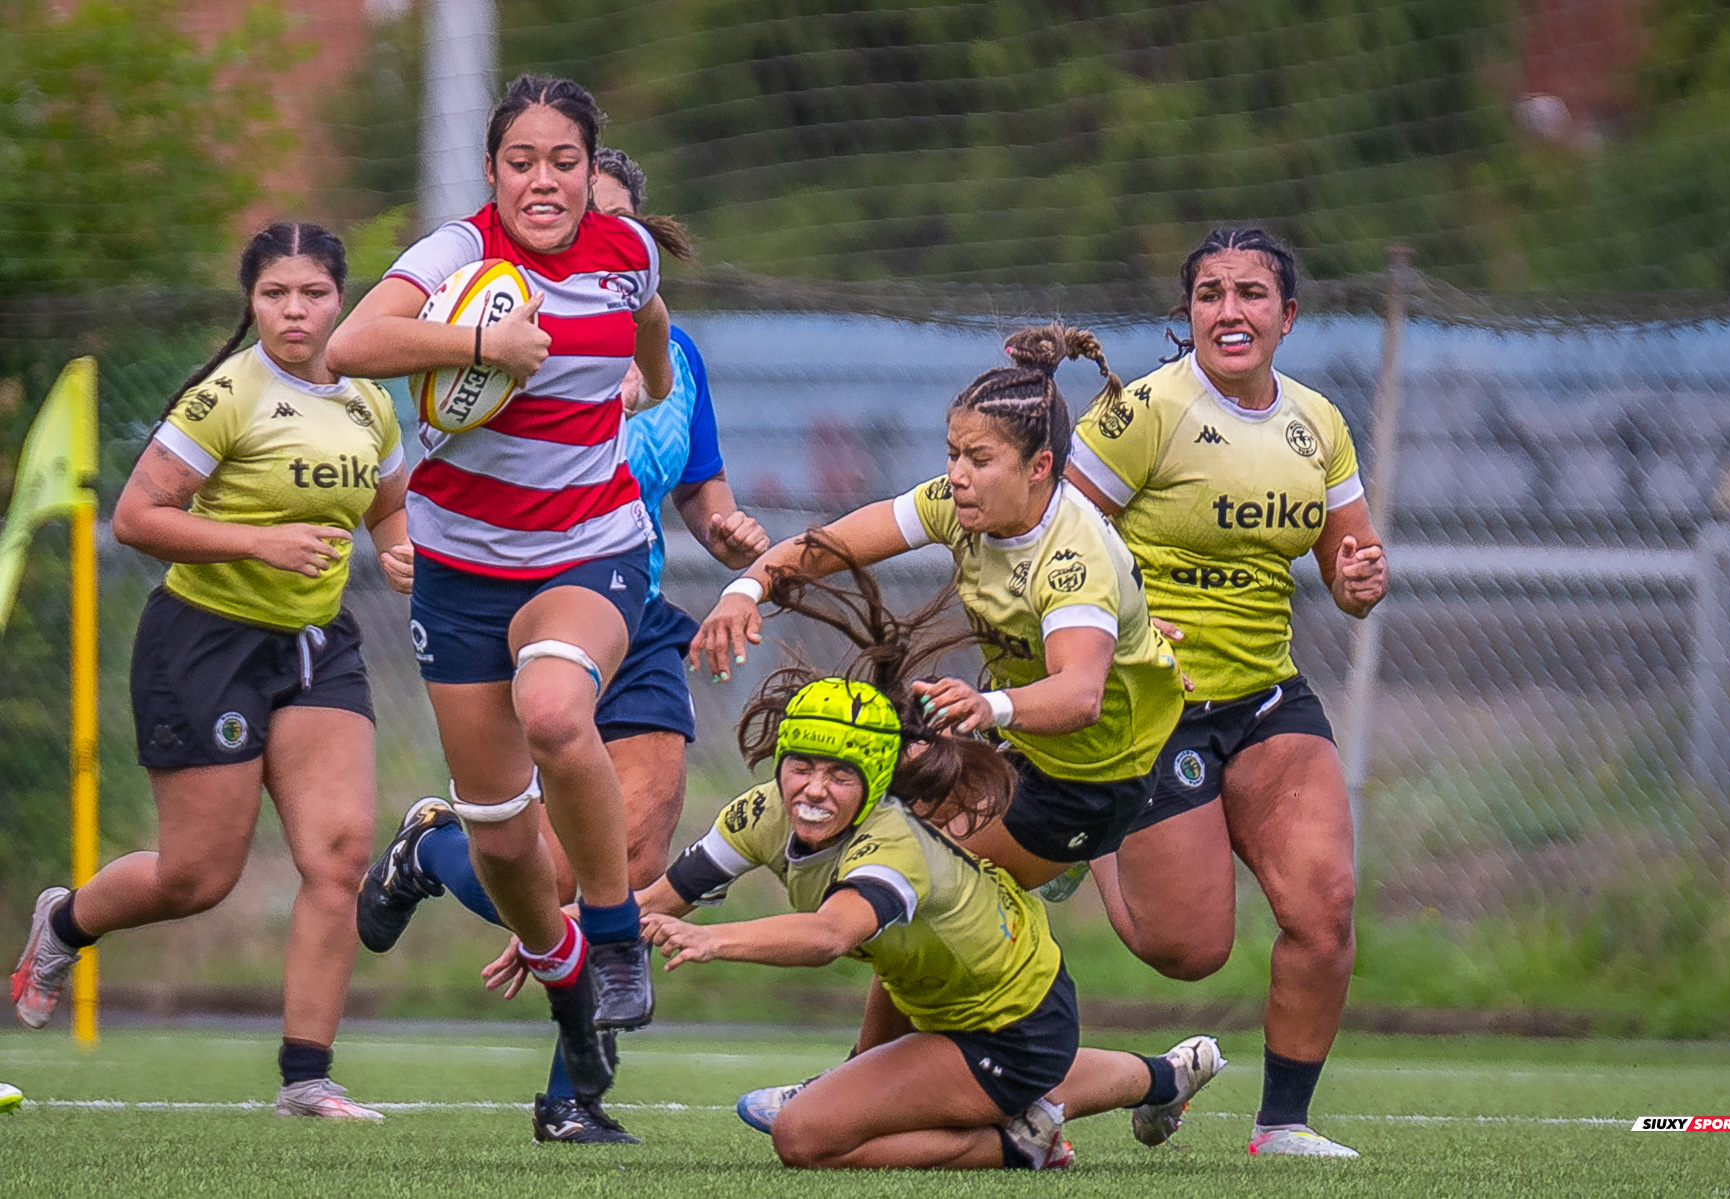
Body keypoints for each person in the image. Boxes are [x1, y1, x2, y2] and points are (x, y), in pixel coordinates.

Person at [490, 570, 1224, 1170]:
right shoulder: (765, 812)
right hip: (964, 1002)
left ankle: (1016, 1142)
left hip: (1010, 1025)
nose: (812, 788)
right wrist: (549, 934)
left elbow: (829, 936)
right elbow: (652, 897)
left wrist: (716, 940)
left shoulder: (893, 845)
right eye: (801, 765)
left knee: (803, 1136)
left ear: (873, 783)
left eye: (839, 775)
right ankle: (1162, 1076)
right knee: (917, 1080)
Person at [354, 149, 769, 1143]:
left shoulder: (667, 341)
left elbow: (700, 484)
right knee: (534, 865)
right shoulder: (488, 325)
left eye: (604, 221)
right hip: (511, 606)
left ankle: (572, 1098)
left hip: (633, 604)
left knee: (627, 849)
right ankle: (436, 849)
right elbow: (407, 418)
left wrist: (731, 538)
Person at [327, 75, 686, 1127]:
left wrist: (648, 386)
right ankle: (572, 995)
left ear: (590, 169)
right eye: (521, 161)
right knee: (501, 839)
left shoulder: (628, 253)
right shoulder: (455, 255)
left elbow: (652, 319)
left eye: (563, 161)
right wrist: (481, 345)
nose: (543, 179)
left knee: (556, 712)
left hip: (591, 547)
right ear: (493, 172)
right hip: (461, 567)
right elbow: (353, 346)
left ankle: (614, 939)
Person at [9, 223, 409, 1119]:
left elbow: (389, 498)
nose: (295, 311)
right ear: (252, 302)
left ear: (341, 297)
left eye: (311, 293)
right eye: (276, 295)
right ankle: (66, 923)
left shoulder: (370, 401)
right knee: (199, 876)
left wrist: (399, 550)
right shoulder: (229, 393)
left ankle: (308, 1076)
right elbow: (139, 517)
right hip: (206, 643)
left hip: (316, 644)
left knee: (340, 853)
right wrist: (261, 542)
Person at [1064, 227, 1389, 1158]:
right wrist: (1113, 626)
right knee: (1189, 950)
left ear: (1288, 316)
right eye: (1210, 293)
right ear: (1188, 313)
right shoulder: (1146, 411)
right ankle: (1083, 837)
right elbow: (1057, 541)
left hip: (1264, 699)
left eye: (1251, 294)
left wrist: (1360, 579)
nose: (1229, 311)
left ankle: (1281, 1124)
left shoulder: (1316, 422)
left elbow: (1349, 560)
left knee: (1323, 913)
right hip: (1156, 700)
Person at [691, 326, 1186, 892]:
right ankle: (662, 903)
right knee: (868, 806)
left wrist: (988, 705)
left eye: (979, 458)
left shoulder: (1072, 559)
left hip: (1095, 777)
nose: (957, 475)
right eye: (953, 453)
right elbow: (834, 545)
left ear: (1039, 466)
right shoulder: (956, 503)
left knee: (903, 888)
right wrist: (743, 593)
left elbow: (1080, 695)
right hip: (1019, 744)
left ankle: (1072, 872)